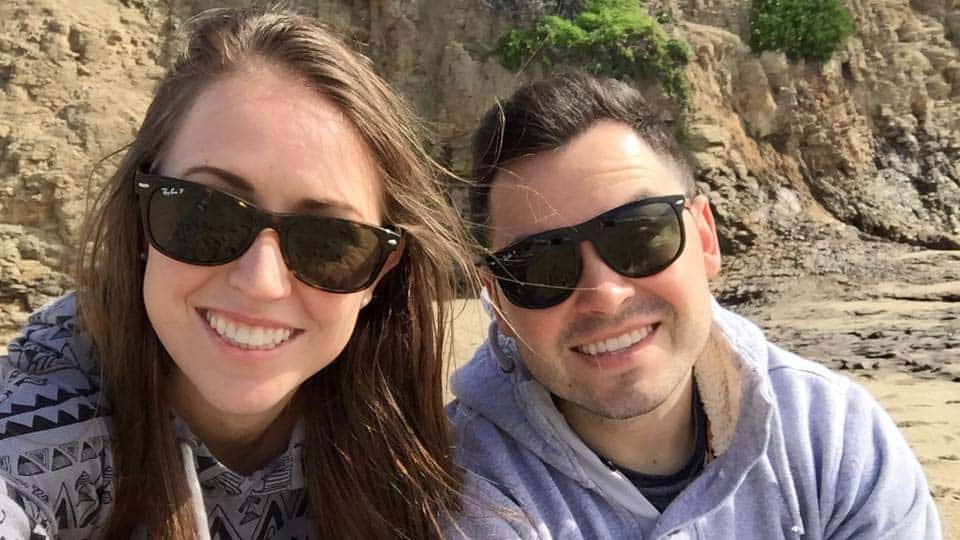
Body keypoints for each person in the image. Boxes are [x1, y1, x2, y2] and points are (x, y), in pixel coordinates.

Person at [0, 6, 475, 539]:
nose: (261, 282)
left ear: (379, 274)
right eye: (206, 213)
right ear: (141, 219)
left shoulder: (406, 441)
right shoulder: (42, 422)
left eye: (329, 242)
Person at [447, 72, 941, 539]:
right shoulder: (457, 489)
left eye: (641, 235)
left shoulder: (831, 440)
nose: (605, 296)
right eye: (540, 266)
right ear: (497, 299)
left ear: (705, 237)